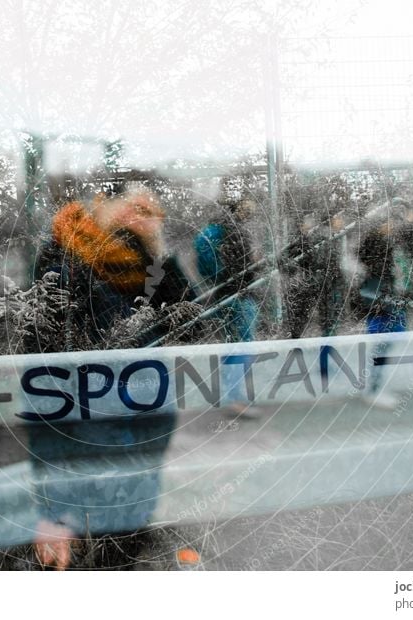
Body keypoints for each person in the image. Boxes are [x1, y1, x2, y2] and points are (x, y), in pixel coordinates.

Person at [28, 179, 193, 569]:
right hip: (90, 437)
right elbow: (44, 381)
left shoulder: (144, 263)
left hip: (144, 433)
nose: (141, 217)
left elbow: (191, 320)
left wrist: (158, 251)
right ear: (101, 200)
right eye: (134, 205)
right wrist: (52, 510)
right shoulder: (63, 259)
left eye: (151, 212)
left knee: (128, 544)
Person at [34, 181, 195, 348]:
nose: (140, 220)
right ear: (104, 203)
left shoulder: (144, 263)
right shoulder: (66, 261)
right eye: (138, 208)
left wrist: (162, 256)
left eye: (153, 216)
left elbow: (192, 325)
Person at [354, 203, 413, 409]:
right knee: (382, 342)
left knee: (393, 334)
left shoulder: (385, 242)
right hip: (379, 300)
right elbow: (372, 262)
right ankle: (373, 388)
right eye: (390, 223)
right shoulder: (375, 243)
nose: (393, 227)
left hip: (386, 298)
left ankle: (374, 385)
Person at [193, 198, 259, 342]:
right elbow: (204, 254)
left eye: (250, 212)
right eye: (246, 210)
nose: (248, 214)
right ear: (235, 208)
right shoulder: (220, 231)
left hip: (231, 287)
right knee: (243, 332)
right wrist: (222, 273)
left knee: (231, 333)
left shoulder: (234, 230)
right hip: (231, 288)